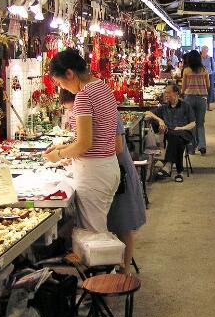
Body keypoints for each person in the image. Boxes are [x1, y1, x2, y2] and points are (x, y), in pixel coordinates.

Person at [59, 89, 146, 271]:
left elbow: (117, 146)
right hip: (103, 172)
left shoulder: (105, 110)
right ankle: (112, 267)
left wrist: (76, 152)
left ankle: (124, 270)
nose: (74, 114)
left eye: (73, 109)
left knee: (124, 222)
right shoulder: (88, 112)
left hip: (118, 171)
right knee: (108, 221)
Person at [43, 48, 119, 232]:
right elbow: (96, 135)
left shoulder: (84, 96)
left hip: (94, 172)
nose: (62, 87)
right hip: (109, 166)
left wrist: (58, 155)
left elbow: (85, 144)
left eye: (60, 82)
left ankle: (106, 262)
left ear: (69, 73)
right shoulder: (102, 86)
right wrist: (65, 146)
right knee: (98, 229)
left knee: (94, 237)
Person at [145, 84, 196, 182]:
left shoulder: (186, 106)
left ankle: (168, 164)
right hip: (171, 136)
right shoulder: (164, 108)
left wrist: (181, 128)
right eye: (165, 92)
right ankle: (179, 172)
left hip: (184, 133)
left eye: (168, 92)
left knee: (176, 136)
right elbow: (147, 113)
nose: (166, 94)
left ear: (176, 93)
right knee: (176, 139)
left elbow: (193, 123)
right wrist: (160, 120)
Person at [182, 50, 209, 155]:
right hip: (202, 99)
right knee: (200, 124)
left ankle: (191, 148)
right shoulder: (204, 70)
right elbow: (208, 85)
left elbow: (183, 87)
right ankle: (202, 146)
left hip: (189, 98)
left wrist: (182, 93)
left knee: (191, 123)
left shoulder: (186, 71)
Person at [201, 46, 215, 110]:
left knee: (209, 90)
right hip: (201, 76)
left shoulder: (210, 58)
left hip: (209, 75)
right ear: (202, 51)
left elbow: (213, 68)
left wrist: (210, 72)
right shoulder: (199, 58)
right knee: (202, 90)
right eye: (204, 50)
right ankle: (202, 105)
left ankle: (208, 105)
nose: (205, 51)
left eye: (207, 50)